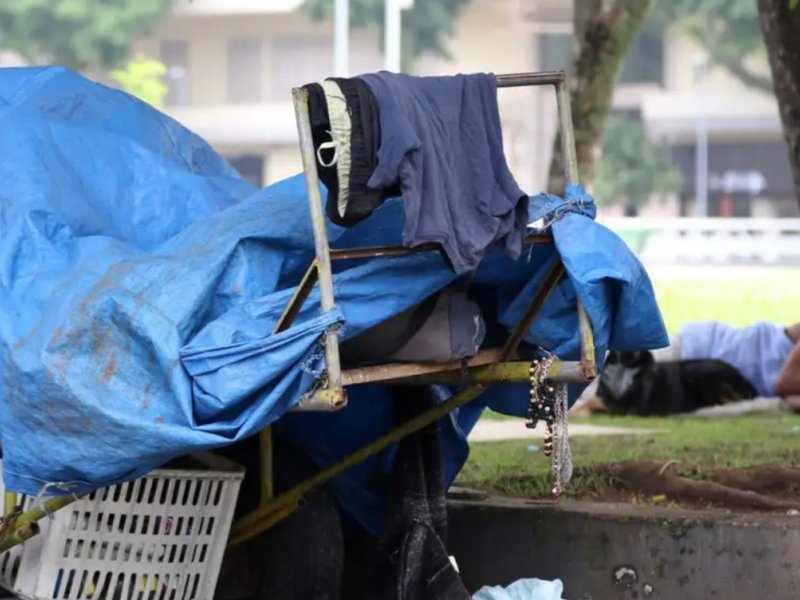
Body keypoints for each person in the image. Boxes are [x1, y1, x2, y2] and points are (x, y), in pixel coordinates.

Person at [573, 320, 800, 416]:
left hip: (713, 378)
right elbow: (784, 383)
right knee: (603, 383)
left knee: (608, 391)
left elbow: (790, 399)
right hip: (701, 350)